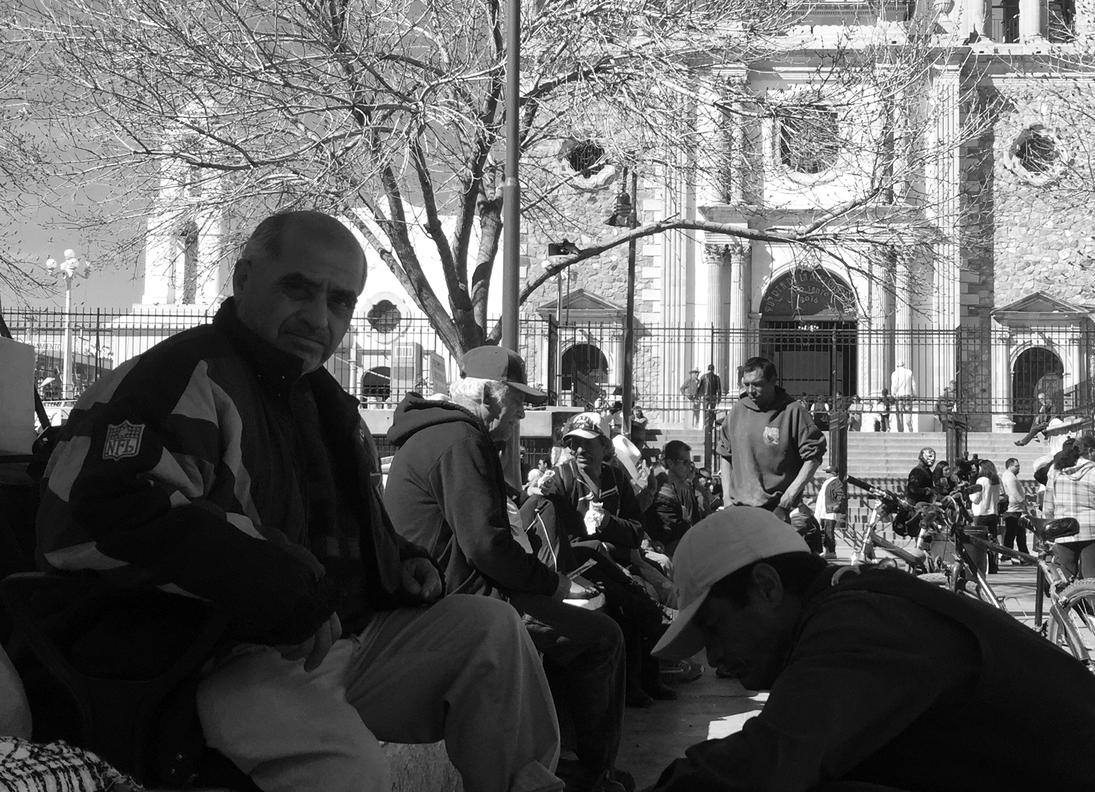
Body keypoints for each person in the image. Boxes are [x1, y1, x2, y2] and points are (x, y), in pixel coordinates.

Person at [34, 211, 560, 792]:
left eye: (340, 302)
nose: (318, 318)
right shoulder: (181, 376)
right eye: (298, 289)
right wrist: (273, 583)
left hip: (341, 637)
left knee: (492, 630)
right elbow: (95, 513)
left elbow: (334, 526)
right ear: (243, 279)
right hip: (221, 654)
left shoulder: (324, 398)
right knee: (350, 775)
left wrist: (399, 560)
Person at [646, 508, 1095, 792]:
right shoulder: (850, 605)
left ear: (767, 588)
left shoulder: (861, 624)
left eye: (715, 631)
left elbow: (772, 760)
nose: (715, 661)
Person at [382, 348, 629, 792]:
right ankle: (593, 777)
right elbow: (487, 546)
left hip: (462, 593)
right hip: (455, 604)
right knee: (601, 637)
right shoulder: (459, 440)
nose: (521, 412)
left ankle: (566, 763)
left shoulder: (451, 436)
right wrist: (554, 584)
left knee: (580, 626)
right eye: (516, 401)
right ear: (489, 396)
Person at [539, 412, 672, 705]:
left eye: (587, 443)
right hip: (581, 566)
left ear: (604, 445)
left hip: (618, 562)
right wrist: (544, 493)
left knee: (646, 594)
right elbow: (556, 533)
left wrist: (607, 522)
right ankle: (632, 685)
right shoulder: (561, 479)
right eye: (572, 444)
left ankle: (648, 679)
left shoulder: (616, 478)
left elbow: (637, 531)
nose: (579, 450)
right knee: (632, 602)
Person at [719, 356, 827, 520]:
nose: (750, 390)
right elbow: (726, 454)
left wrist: (787, 499)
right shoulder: (737, 411)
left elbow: (813, 457)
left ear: (772, 381)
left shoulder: (793, 412)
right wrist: (727, 498)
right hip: (739, 511)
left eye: (757, 384)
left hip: (778, 511)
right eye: (746, 384)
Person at [1042, 432, 1095, 580]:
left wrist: (1050, 529)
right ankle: (1091, 602)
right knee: (1092, 579)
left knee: (1065, 577)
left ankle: (1066, 602)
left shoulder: (1057, 471)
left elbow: (1048, 505)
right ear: (1091, 451)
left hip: (1063, 530)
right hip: (1092, 530)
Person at [646, 440, 709, 556]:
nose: (689, 468)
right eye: (684, 462)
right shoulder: (663, 494)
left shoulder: (680, 488)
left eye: (690, 463)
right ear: (670, 463)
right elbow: (682, 532)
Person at [999, 457, 1030, 559]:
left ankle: (1022, 555)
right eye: (1016, 466)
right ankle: (1010, 554)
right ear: (1010, 466)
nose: (1018, 468)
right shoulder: (1010, 477)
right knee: (1013, 534)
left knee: (1018, 534)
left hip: (1015, 509)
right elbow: (1014, 491)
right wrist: (1023, 501)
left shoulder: (1009, 476)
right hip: (1013, 509)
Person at [889, 361, 916, 432]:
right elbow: (913, 384)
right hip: (907, 396)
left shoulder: (894, 373)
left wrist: (893, 394)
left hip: (899, 397)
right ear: (904, 365)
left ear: (897, 366)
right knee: (908, 414)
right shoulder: (909, 372)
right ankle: (910, 426)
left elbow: (894, 386)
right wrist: (915, 394)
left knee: (899, 416)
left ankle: (901, 431)